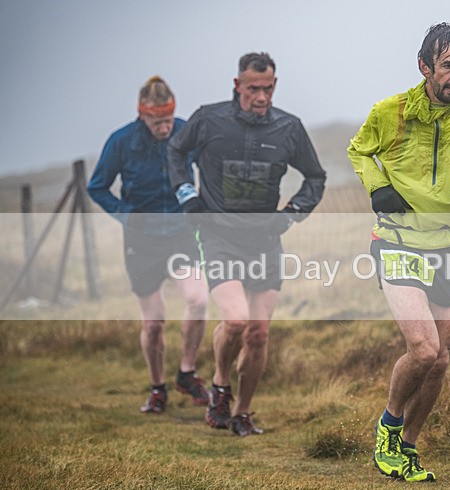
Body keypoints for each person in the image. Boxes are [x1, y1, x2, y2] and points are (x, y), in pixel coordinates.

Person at [348, 23, 450, 482]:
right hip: (397, 240)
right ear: (424, 67)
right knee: (424, 348)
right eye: (448, 65)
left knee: (443, 358)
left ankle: (408, 448)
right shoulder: (390, 112)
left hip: (448, 245)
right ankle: (389, 427)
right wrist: (378, 188)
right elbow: (359, 152)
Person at [168, 52, 326, 437]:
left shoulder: (289, 128)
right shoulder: (209, 119)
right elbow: (175, 150)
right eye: (253, 88)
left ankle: (242, 412)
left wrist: (291, 213)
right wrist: (188, 195)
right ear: (237, 86)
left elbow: (315, 178)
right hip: (219, 235)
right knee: (236, 320)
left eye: (268, 88)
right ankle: (220, 384)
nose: (261, 96)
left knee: (258, 333)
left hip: (265, 240)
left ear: (275, 86)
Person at [87, 76, 209, 414]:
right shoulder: (121, 142)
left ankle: (187, 372)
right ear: (143, 115)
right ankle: (158, 389)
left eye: (168, 120)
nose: (165, 127)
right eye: (158, 122)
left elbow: (209, 169)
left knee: (198, 300)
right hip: (142, 241)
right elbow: (96, 187)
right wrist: (127, 214)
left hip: (183, 233)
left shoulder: (186, 133)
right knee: (154, 322)